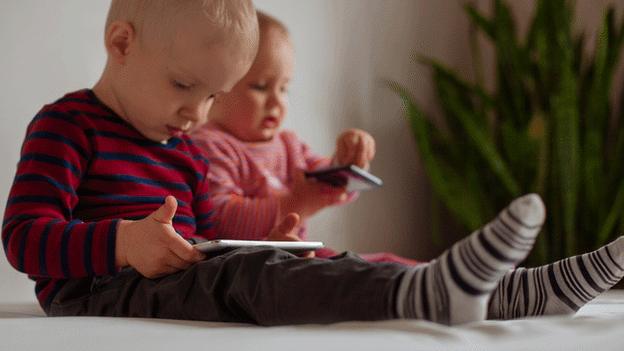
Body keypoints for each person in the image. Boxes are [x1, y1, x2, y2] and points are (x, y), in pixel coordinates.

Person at [2, 0, 623, 327]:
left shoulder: (184, 147)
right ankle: (423, 295)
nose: (197, 113)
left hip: (173, 275)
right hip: (100, 290)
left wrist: (263, 235)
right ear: (121, 45)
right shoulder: (67, 125)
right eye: (184, 85)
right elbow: (23, 239)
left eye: (214, 95)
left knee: (306, 261)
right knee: (251, 279)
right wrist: (121, 243)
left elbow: (206, 231)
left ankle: (516, 293)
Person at [191, 11, 416, 264]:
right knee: (355, 275)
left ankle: (434, 283)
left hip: (296, 257)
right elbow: (223, 220)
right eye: (261, 86)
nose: (277, 101)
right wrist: (297, 202)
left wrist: (348, 160)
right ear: (218, 89)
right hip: (249, 268)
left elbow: (326, 181)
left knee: (385, 263)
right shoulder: (209, 145)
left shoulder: (288, 144)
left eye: (284, 88)